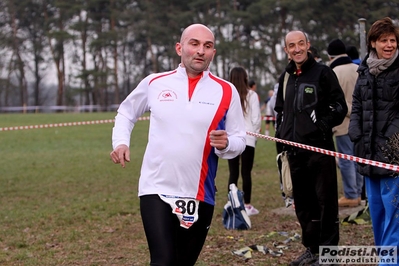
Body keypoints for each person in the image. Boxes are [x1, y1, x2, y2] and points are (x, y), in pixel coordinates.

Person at [109, 23, 246, 266]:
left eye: (207, 46)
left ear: (213, 53)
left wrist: (226, 144)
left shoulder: (227, 91)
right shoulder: (155, 83)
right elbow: (126, 112)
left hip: (200, 193)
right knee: (162, 261)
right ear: (179, 48)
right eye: (194, 44)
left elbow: (239, 140)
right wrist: (121, 142)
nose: (200, 51)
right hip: (156, 188)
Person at [274, 30, 347, 266]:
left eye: (300, 44)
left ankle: (329, 255)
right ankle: (312, 249)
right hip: (294, 153)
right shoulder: (285, 78)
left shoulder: (323, 73)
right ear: (286, 50)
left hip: (319, 151)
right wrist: (281, 140)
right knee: (304, 205)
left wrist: (321, 126)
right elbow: (281, 112)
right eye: (291, 46)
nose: (296, 49)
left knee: (326, 203)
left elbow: (339, 106)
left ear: (308, 45)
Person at [349, 17, 399, 265]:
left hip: (393, 155)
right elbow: (357, 104)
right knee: (377, 213)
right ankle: (384, 257)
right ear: (373, 43)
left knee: (395, 214)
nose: (389, 45)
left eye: (392, 40)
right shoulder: (365, 70)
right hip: (367, 152)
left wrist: (391, 138)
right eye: (383, 40)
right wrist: (355, 133)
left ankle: (390, 262)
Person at [327, 39, 364, 207]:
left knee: (346, 159)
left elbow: (333, 101)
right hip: (362, 122)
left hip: (343, 123)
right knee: (359, 158)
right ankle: (359, 192)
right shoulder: (359, 69)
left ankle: (351, 194)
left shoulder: (333, 72)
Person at [227, 66, 262, 216]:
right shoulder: (252, 95)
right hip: (247, 139)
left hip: (231, 139)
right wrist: (255, 135)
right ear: (245, 78)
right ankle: (247, 205)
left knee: (233, 172)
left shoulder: (227, 95)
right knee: (246, 173)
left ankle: (232, 203)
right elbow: (256, 119)